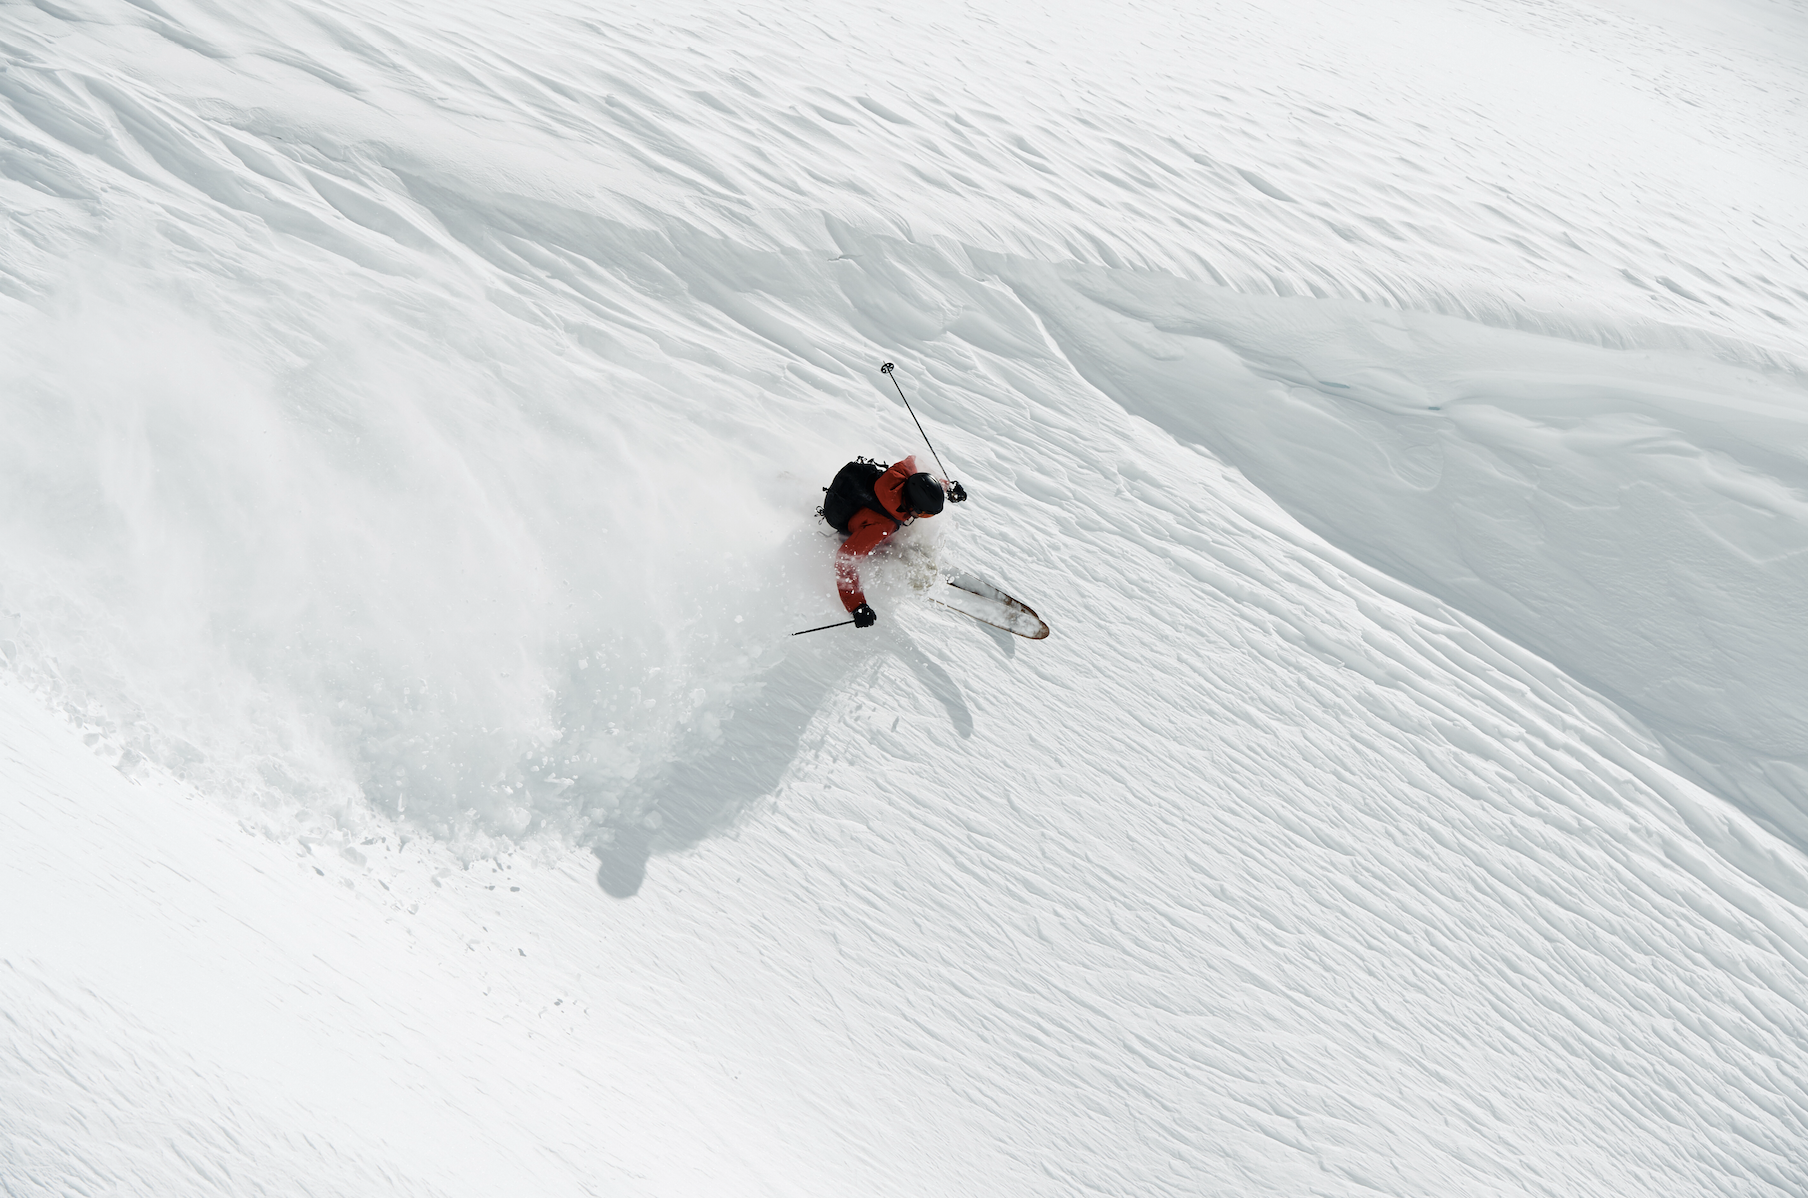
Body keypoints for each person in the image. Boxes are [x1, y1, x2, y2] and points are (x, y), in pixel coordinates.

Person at [830, 455, 967, 628]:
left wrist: (946, 488)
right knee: (892, 556)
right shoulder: (881, 526)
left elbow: (919, 476)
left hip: (864, 502)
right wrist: (857, 606)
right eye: (923, 514)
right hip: (862, 531)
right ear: (913, 507)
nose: (923, 517)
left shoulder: (903, 473)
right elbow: (845, 559)